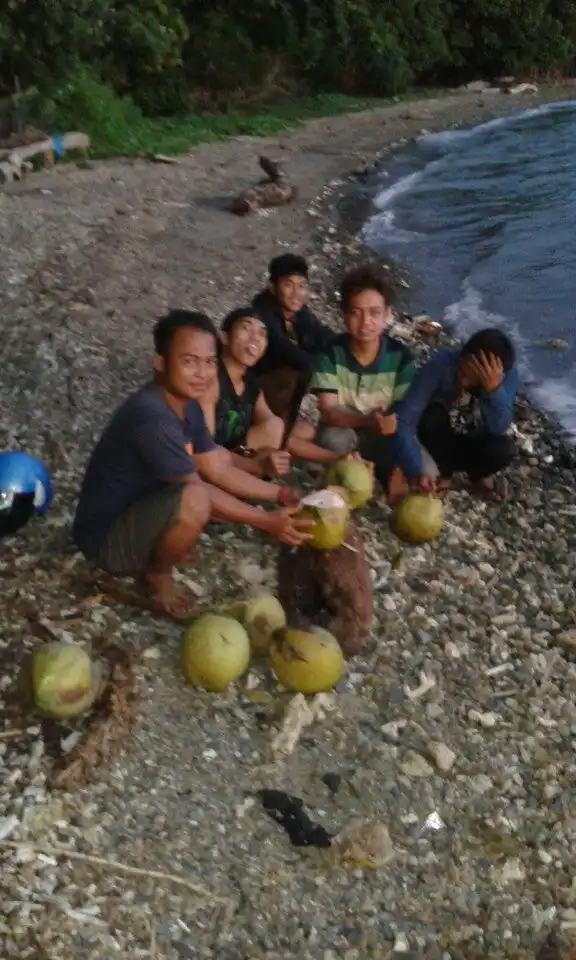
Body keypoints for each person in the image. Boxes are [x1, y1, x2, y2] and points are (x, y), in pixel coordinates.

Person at [72, 310, 312, 619]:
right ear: (159, 363)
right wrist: (267, 521)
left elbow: (217, 464)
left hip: (136, 508)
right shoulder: (153, 418)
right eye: (189, 361)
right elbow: (201, 492)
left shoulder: (186, 405)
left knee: (197, 491)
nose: (203, 373)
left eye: (210, 362)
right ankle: (157, 575)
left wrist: (278, 496)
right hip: (103, 541)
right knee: (195, 498)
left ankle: (157, 543)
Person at [200, 306, 349, 477]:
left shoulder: (251, 385)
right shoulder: (211, 379)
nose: (254, 337)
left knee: (276, 426)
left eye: (262, 333)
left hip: (231, 457)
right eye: (246, 328)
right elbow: (204, 448)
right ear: (224, 337)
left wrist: (337, 458)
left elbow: (280, 434)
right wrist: (254, 463)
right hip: (203, 464)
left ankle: (245, 483)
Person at [309, 264, 415, 501]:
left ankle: (382, 471)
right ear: (344, 315)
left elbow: (403, 417)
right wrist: (368, 420)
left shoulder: (401, 358)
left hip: (384, 437)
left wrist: (399, 468)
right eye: (356, 312)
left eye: (374, 313)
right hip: (345, 431)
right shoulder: (329, 352)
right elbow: (328, 412)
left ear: (387, 314)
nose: (366, 322)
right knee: (332, 438)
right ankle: (340, 477)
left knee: (423, 468)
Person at [394, 327, 518, 500]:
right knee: (432, 416)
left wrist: (493, 389)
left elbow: (498, 426)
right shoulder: (443, 364)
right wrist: (415, 468)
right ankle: (445, 471)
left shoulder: (506, 377)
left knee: (504, 449)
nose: (468, 373)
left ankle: (476, 474)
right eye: (470, 364)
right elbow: (405, 417)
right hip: (440, 435)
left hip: (475, 437)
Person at [252, 253, 337, 418]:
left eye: (301, 286)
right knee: (294, 374)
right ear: (272, 287)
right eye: (288, 285)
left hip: (278, 389)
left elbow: (321, 333)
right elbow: (283, 348)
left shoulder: (298, 312)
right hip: (255, 387)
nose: (296, 293)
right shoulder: (262, 313)